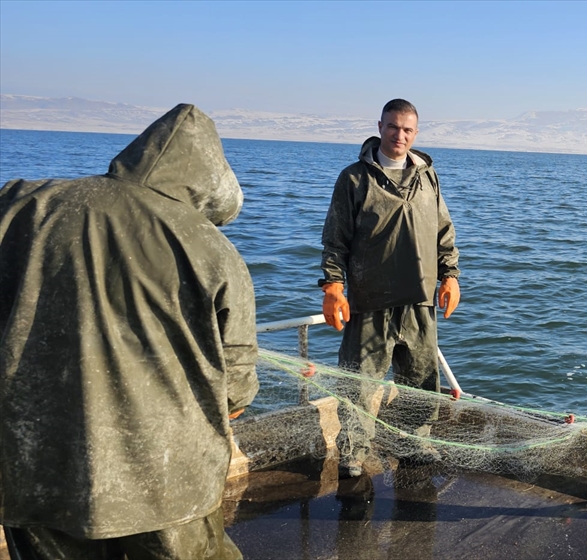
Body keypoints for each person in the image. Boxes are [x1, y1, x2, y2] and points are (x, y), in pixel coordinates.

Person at [0, 104, 259, 559]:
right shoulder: (210, 248)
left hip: (31, 466)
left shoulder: (24, 203)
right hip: (163, 486)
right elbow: (236, 388)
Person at [319, 98, 460, 477]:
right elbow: (336, 238)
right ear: (380, 126)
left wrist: (450, 275)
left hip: (418, 298)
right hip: (370, 299)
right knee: (359, 384)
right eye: (394, 127)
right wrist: (333, 285)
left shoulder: (428, 176)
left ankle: (413, 442)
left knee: (420, 381)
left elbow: (443, 231)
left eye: (408, 129)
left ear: (416, 133)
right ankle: (353, 452)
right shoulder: (354, 178)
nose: (400, 135)